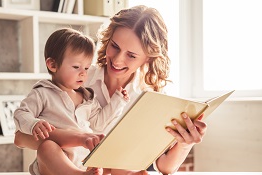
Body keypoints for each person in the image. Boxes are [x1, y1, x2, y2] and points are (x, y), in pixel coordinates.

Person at [14, 5, 208, 175]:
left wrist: (185, 143)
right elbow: (21, 138)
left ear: (148, 58)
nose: (117, 60)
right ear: (107, 40)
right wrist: (79, 139)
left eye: (131, 55)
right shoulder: (77, 77)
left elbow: (164, 167)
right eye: (114, 46)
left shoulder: (149, 98)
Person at [13, 28, 131, 175]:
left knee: (110, 146)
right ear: (52, 65)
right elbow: (21, 113)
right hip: (54, 166)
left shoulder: (87, 98)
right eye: (76, 67)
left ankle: (127, 173)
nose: (83, 73)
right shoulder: (42, 93)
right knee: (47, 147)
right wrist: (33, 124)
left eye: (87, 68)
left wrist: (118, 101)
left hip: (83, 160)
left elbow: (99, 124)